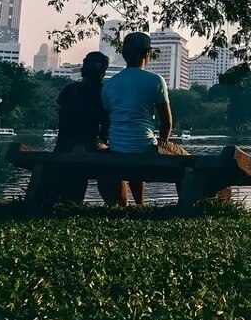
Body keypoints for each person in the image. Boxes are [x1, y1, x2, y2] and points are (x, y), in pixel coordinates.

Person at [102, 32, 180, 205]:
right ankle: (141, 204)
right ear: (147, 53)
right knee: (182, 156)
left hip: (116, 148)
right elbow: (166, 122)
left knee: (134, 147)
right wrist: (163, 142)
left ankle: (134, 205)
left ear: (124, 55)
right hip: (145, 148)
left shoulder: (110, 84)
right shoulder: (155, 81)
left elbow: (107, 121)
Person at [51, 51, 113, 205]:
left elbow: (63, 119)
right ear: (103, 72)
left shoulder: (69, 91)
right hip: (89, 145)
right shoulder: (105, 93)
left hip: (64, 145)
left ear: (83, 69)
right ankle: (115, 203)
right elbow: (106, 125)